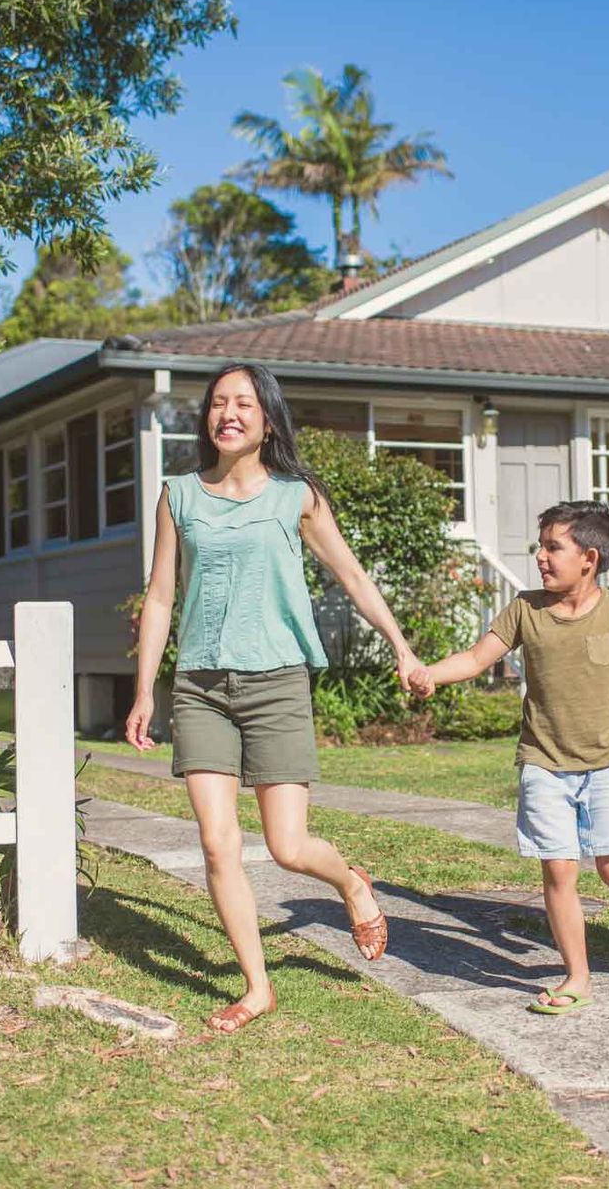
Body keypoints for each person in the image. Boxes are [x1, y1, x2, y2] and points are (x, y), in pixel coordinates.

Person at [124, 362, 424, 1034]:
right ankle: (257, 988)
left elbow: (350, 573)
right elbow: (163, 595)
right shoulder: (179, 496)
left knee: (287, 847)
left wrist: (401, 646)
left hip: (277, 682)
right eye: (218, 403)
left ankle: (350, 882)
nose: (228, 413)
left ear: (267, 420)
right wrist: (145, 688)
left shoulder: (298, 496)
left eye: (244, 404)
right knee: (217, 841)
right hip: (201, 684)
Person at [411, 501, 609, 1014]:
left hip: (607, 762)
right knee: (559, 870)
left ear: (589, 558)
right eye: (540, 546)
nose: (541, 557)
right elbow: (478, 656)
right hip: (543, 762)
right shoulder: (525, 609)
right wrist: (432, 673)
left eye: (553, 547)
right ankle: (577, 976)